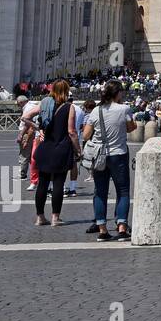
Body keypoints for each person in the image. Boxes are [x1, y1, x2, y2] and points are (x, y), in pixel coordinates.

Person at [82, 79, 136, 241]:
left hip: (99, 155)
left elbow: (85, 135)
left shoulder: (96, 111)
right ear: (118, 93)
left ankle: (102, 230)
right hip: (118, 154)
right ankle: (121, 228)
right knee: (123, 191)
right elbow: (131, 128)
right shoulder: (124, 108)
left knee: (100, 192)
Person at [32, 80, 79, 226]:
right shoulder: (69, 107)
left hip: (46, 148)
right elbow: (71, 131)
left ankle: (40, 217)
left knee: (42, 184)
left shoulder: (44, 104)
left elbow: (25, 117)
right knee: (58, 183)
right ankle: (55, 218)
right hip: (61, 148)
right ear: (66, 91)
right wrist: (78, 149)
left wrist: (39, 130)